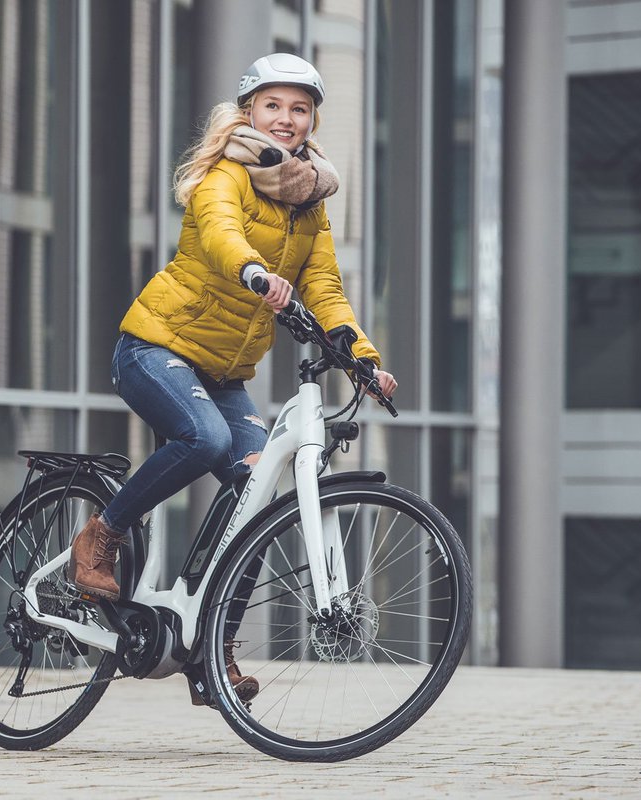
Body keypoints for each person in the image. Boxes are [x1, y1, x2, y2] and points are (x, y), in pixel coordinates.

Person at [68, 53, 397, 703]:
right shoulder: (228, 174)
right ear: (250, 112)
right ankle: (99, 537)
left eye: (299, 109)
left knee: (253, 487)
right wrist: (252, 270)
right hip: (156, 347)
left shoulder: (310, 203)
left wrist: (363, 356)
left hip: (222, 370)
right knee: (206, 441)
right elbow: (219, 234)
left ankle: (210, 648)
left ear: (311, 122)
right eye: (273, 105)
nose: (286, 118)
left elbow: (325, 286)